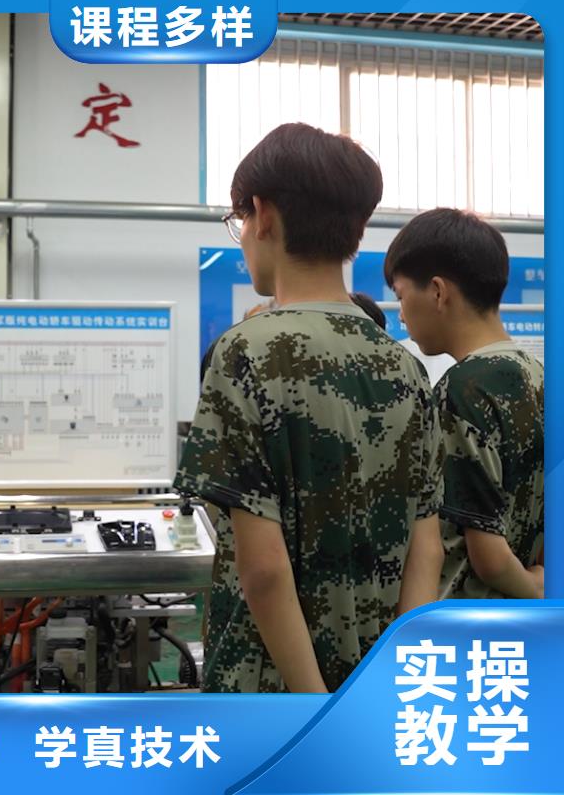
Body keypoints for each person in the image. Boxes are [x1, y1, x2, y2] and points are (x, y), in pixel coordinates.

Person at [174, 123, 445, 693]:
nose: (242, 238)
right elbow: (427, 549)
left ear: (263, 214)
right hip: (375, 677)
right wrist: (390, 680)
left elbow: (264, 569)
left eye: (239, 221)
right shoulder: (404, 366)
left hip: (273, 689)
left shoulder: (245, 353)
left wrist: (316, 708)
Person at [384, 208, 544, 599]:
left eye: (401, 296)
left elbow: (488, 555)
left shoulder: (463, 389)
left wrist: (537, 592)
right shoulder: (539, 376)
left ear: (438, 292)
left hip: (470, 613)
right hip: (526, 617)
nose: (401, 314)